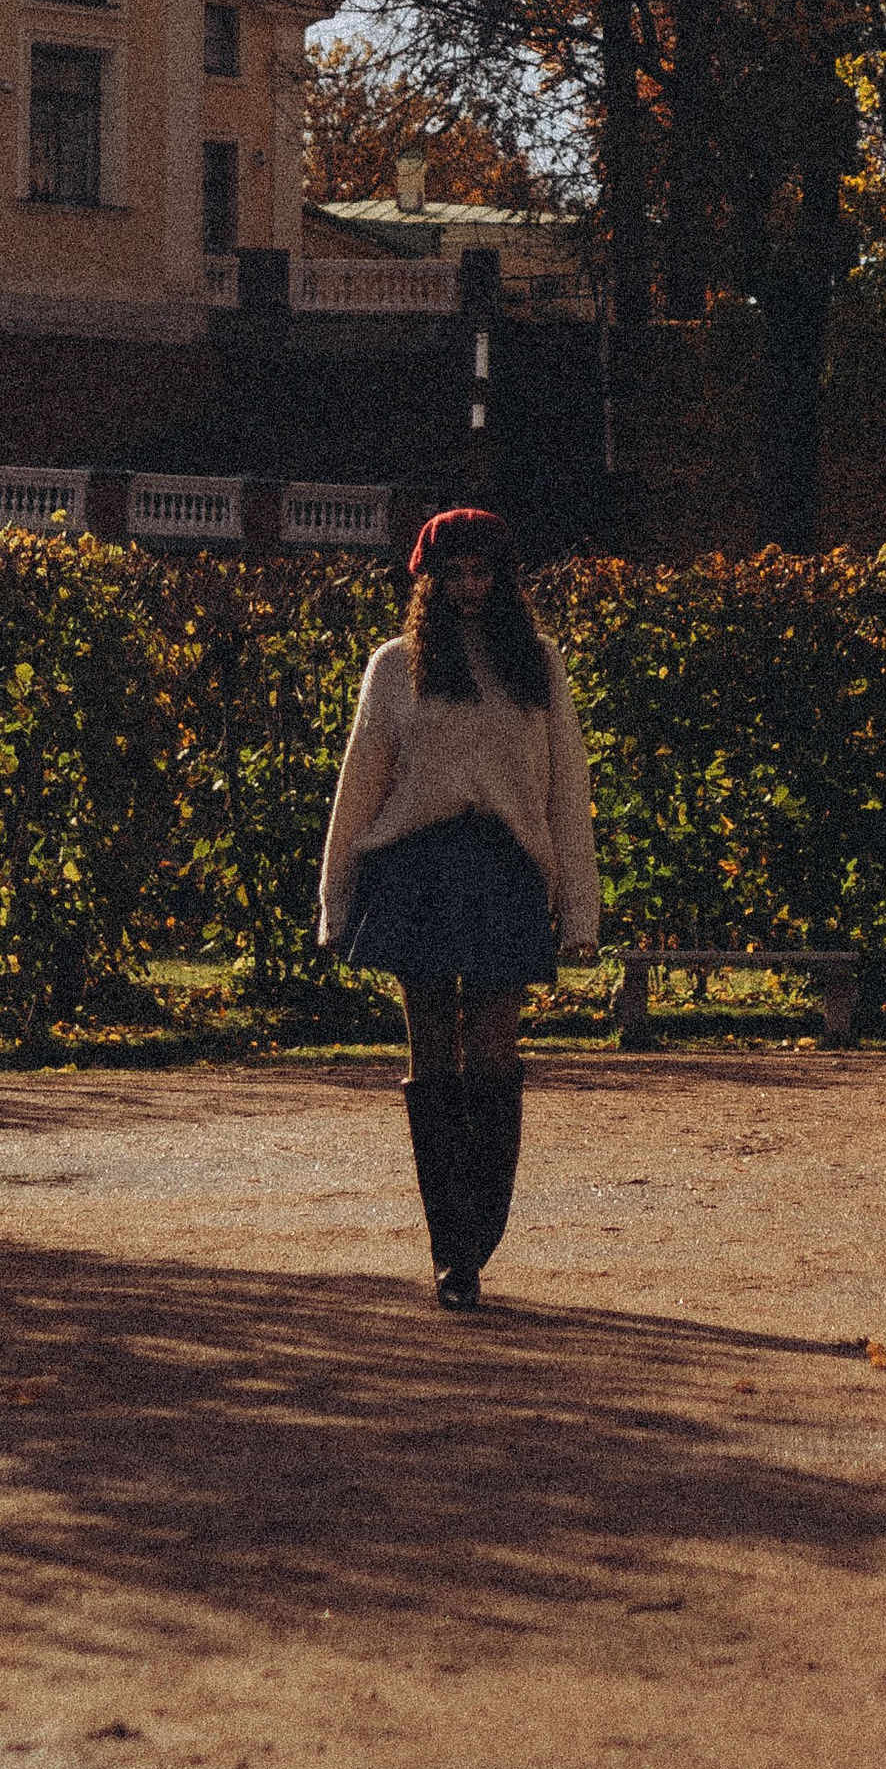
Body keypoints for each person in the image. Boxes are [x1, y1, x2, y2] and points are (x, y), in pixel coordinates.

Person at [319, 506, 601, 1307]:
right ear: (429, 581)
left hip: (506, 871)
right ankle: (454, 1252)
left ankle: (480, 1223)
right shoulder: (395, 666)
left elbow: (566, 793)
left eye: (485, 573)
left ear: (506, 581)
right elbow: (360, 789)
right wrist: (335, 900)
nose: (471, 587)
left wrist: (580, 911)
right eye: (455, 573)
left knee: (494, 1056)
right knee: (432, 1057)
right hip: (415, 872)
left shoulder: (538, 666)